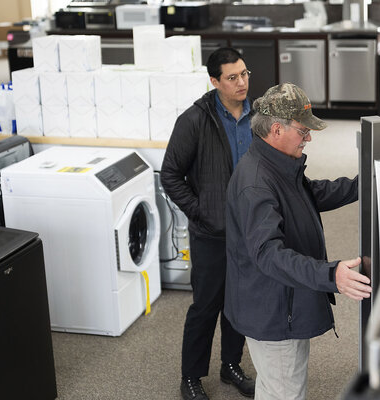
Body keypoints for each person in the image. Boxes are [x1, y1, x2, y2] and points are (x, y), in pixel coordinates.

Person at [224, 83, 373, 400]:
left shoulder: (276, 165)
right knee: (284, 392)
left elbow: (310, 194)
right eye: (303, 131)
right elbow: (268, 254)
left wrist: (367, 184)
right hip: (274, 313)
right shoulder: (256, 183)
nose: (309, 138)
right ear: (276, 129)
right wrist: (331, 275)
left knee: (273, 386)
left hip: (279, 302)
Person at [160, 47, 256, 400]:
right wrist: (199, 211)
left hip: (250, 229)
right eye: (232, 78)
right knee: (206, 307)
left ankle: (231, 366)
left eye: (245, 74)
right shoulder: (194, 119)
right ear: (214, 81)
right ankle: (190, 377)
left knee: (239, 303)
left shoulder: (258, 114)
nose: (242, 82)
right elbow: (170, 175)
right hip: (212, 232)